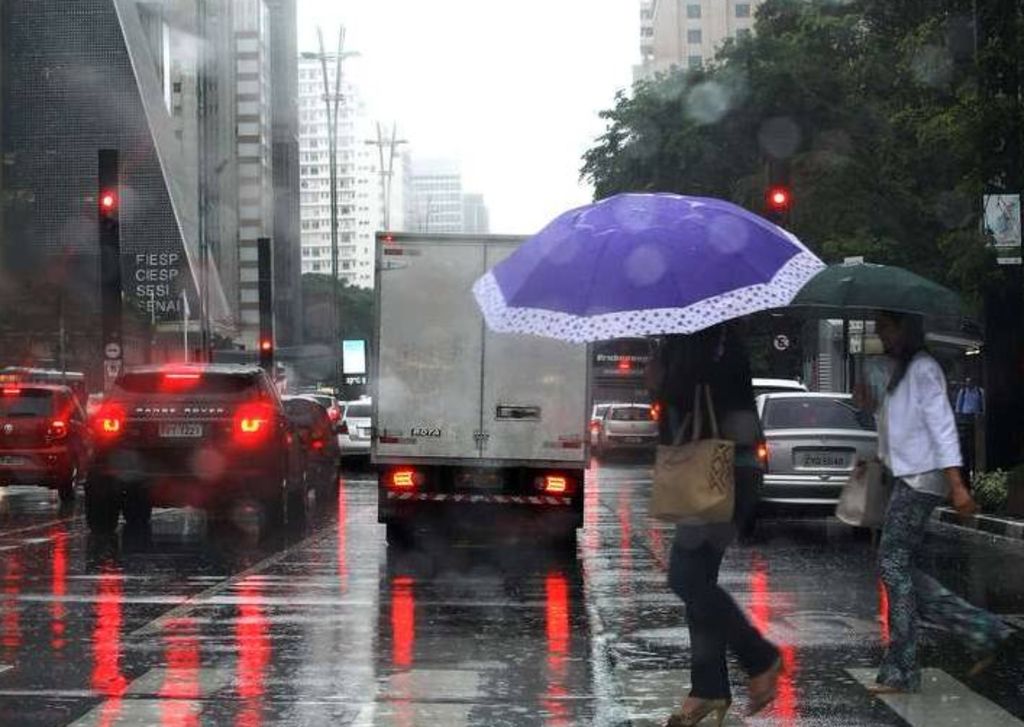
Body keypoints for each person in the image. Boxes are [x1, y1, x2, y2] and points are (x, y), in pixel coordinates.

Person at [867, 311, 1011, 694]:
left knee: (892, 564)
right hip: (907, 476)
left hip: (922, 478)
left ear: (903, 328)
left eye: (884, 325)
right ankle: (980, 630)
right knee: (901, 569)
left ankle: (903, 668)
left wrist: (957, 485)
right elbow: (894, 425)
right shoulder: (900, 370)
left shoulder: (923, 368)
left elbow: (942, 425)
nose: (879, 332)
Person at [648, 324, 781, 726]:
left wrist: (658, 375)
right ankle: (708, 688)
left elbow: (681, 398)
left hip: (721, 472)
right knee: (697, 581)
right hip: (725, 471)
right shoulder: (713, 339)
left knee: (686, 577)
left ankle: (759, 656)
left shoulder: (701, 340)